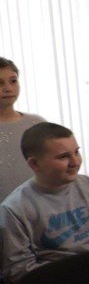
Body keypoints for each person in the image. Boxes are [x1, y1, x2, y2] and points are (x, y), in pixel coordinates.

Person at [0, 122, 89, 283]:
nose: (75, 162)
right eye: (63, 156)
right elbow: (18, 269)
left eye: (76, 152)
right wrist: (76, 280)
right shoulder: (14, 209)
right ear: (35, 164)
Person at [0, 57, 45, 203]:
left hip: (37, 205)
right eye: (0, 83)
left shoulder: (36, 124)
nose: (8, 88)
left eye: (13, 81)